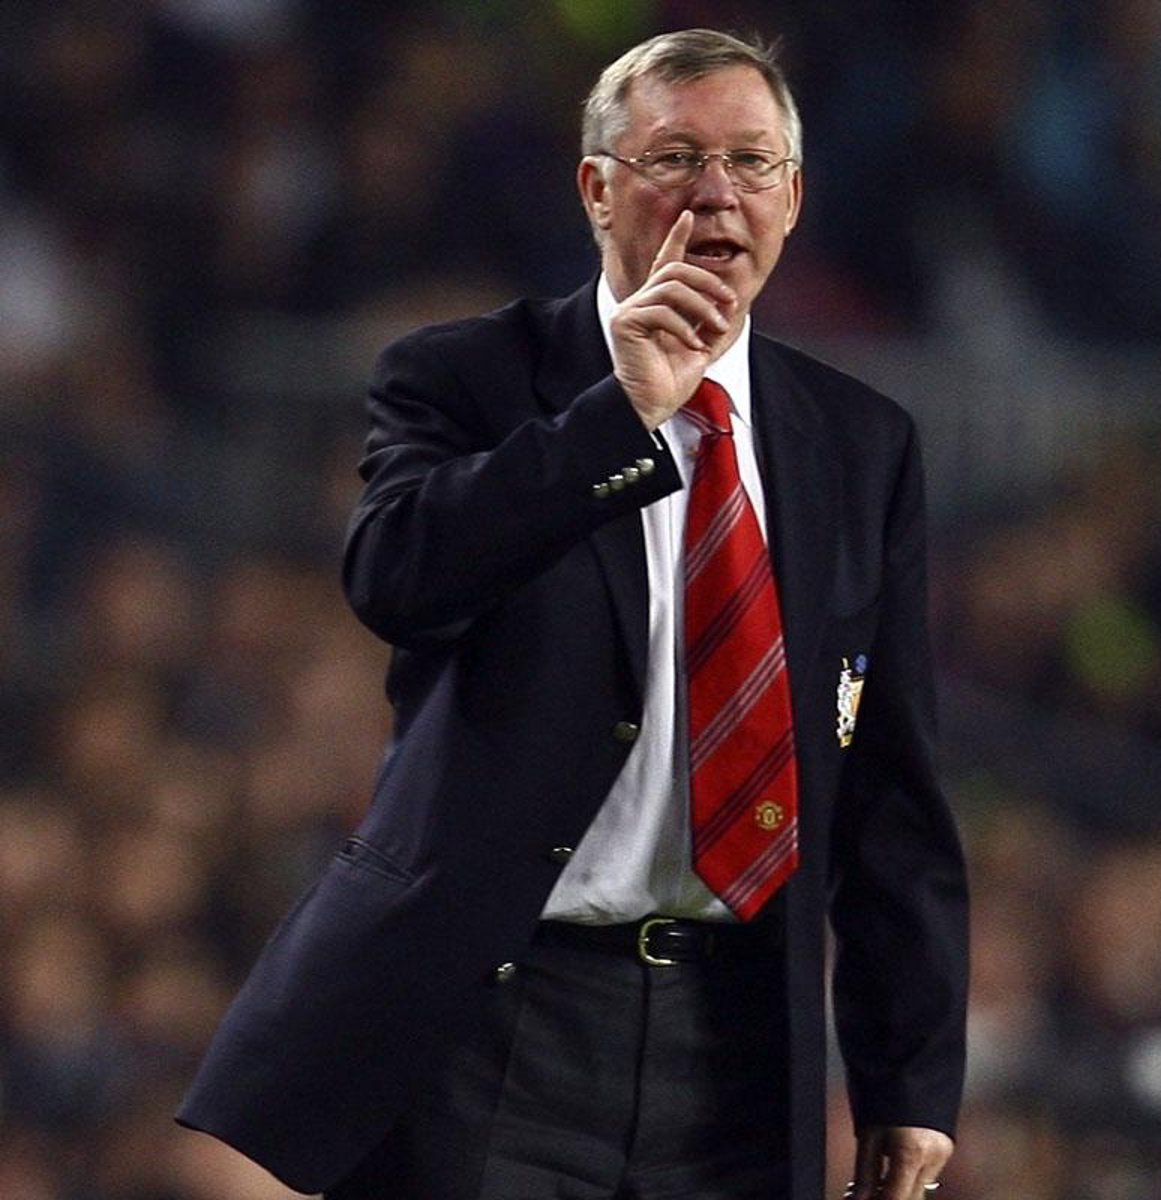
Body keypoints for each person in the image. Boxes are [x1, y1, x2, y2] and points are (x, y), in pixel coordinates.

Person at [178, 28, 968, 1200]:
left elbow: (892, 787)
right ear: (598, 189)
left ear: (794, 199)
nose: (717, 193)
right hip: (501, 1020)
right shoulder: (462, 378)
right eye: (676, 158)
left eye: (752, 163)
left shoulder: (861, 444)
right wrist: (615, 419)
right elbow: (398, 579)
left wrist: (910, 1076)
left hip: (742, 1034)